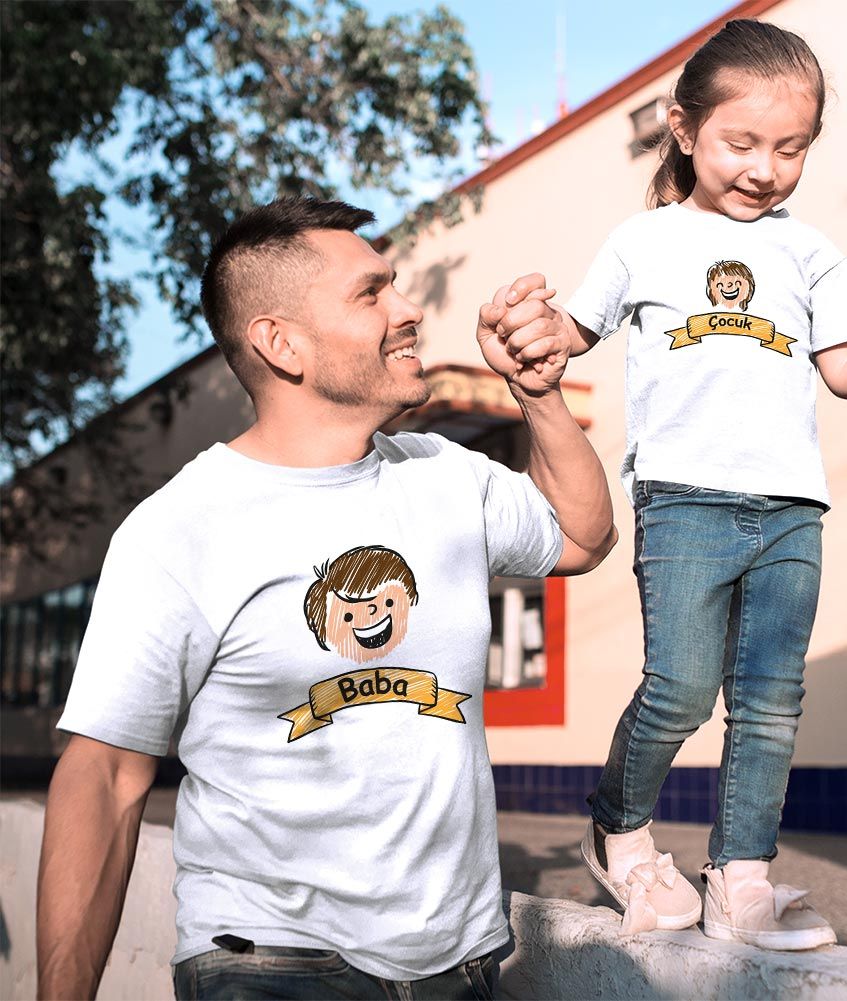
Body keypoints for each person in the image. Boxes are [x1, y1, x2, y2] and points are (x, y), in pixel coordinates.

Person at [35, 197, 617, 1000]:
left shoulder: (442, 475)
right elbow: (103, 775)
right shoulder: (182, 527)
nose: (408, 310)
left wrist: (538, 392)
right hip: (268, 961)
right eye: (370, 293)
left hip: (455, 963)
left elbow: (583, 536)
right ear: (281, 343)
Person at [502, 18, 847, 950]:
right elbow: (571, 332)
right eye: (741, 143)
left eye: (790, 148)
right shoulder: (641, 241)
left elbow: (846, 369)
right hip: (683, 501)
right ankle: (616, 825)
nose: (765, 169)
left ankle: (741, 874)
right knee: (680, 689)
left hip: (791, 509)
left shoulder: (810, 254)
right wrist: (532, 327)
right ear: (683, 129)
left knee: (769, 701)